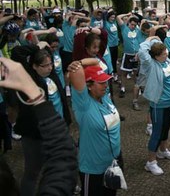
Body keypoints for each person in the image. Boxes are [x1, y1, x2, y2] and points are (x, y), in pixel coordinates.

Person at [0, 57, 77, 195]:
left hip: (47, 133)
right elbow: (63, 160)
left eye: (50, 64)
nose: (50, 67)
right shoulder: (25, 89)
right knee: (33, 172)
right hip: (34, 136)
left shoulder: (50, 78)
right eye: (45, 65)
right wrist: (33, 91)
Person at [69, 59, 122, 195]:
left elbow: (96, 61)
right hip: (93, 168)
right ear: (89, 86)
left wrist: (82, 61)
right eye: (101, 82)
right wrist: (78, 64)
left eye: (105, 81)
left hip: (113, 162)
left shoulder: (104, 97)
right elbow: (76, 72)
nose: (106, 85)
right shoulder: (83, 104)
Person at [138, 36, 170, 176]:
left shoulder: (166, 60)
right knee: (157, 132)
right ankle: (150, 162)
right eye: (163, 54)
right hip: (159, 104)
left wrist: (158, 42)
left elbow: (162, 50)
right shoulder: (150, 64)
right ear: (155, 56)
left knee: (166, 128)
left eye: (166, 52)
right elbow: (143, 50)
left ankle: (163, 151)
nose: (166, 54)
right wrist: (150, 38)